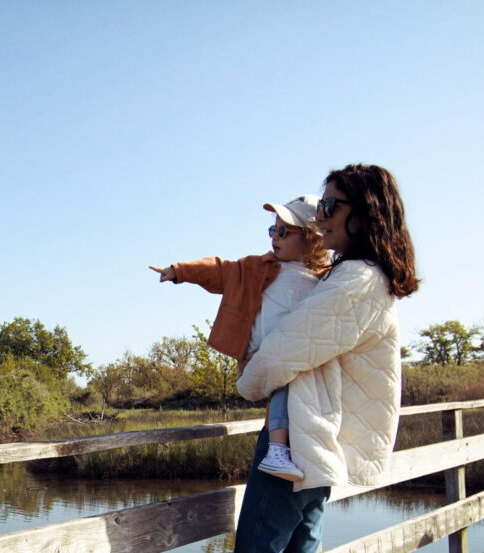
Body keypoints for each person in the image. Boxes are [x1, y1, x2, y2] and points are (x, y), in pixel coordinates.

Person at [234, 163, 420, 553]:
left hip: (303, 436)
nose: (320, 217)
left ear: (364, 211)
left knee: (257, 546)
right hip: (320, 437)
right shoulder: (362, 276)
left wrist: (248, 381)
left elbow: (286, 348)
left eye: (330, 206)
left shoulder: (357, 279)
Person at [150, 195, 329, 481]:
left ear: (311, 239)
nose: (275, 237)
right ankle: (277, 449)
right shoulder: (257, 267)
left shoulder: (326, 277)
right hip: (264, 354)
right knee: (283, 388)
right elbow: (220, 270)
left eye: (283, 231)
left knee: (295, 392)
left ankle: (281, 448)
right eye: (273, 229)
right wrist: (180, 271)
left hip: (300, 355)